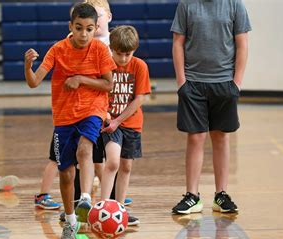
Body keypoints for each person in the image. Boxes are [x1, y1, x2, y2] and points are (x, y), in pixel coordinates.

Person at [25, 3, 116, 239]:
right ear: (70, 27)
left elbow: (108, 85)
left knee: (85, 150)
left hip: (92, 110)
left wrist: (81, 79)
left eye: (89, 29)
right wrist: (27, 65)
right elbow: (34, 82)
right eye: (79, 28)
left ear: (96, 28)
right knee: (65, 173)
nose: (84, 34)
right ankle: (71, 222)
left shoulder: (99, 50)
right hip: (64, 116)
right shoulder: (58, 49)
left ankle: (85, 198)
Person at [170, 0, 251, 214]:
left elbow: (242, 44)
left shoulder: (235, 5)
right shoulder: (186, 5)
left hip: (224, 83)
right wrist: (181, 82)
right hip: (193, 83)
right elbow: (178, 42)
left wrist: (236, 83)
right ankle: (192, 196)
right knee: (195, 137)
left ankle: (221, 194)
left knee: (221, 136)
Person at [100, 25, 151, 226]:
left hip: (130, 123)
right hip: (109, 122)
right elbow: (99, 93)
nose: (122, 59)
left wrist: (117, 120)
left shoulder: (140, 66)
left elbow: (139, 99)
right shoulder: (104, 65)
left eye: (127, 54)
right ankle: (103, 207)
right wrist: (107, 116)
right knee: (112, 162)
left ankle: (119, 209)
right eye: (118, 54)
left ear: (134, 51)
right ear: (111, 48)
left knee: (126, 166)